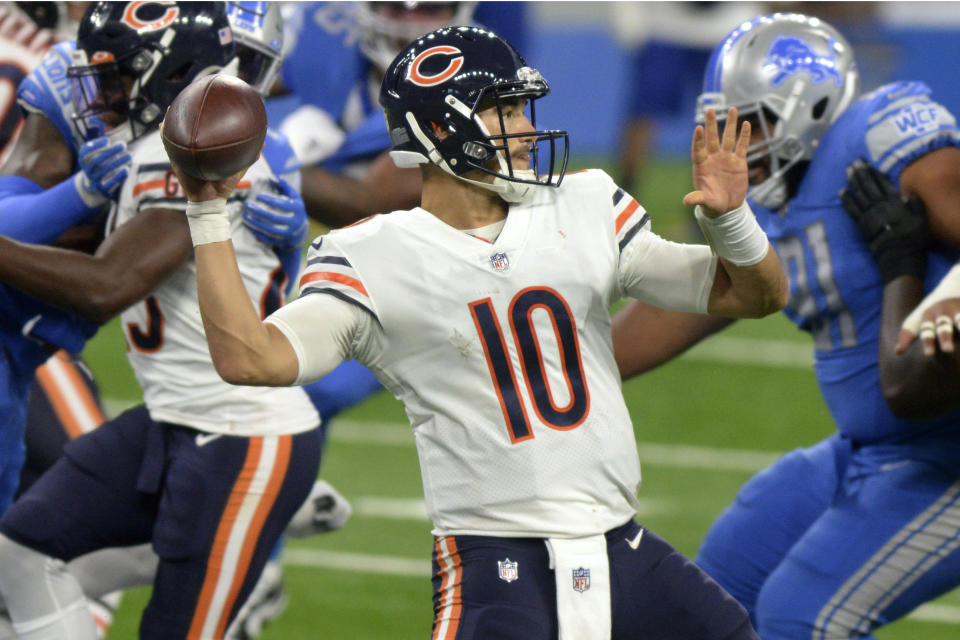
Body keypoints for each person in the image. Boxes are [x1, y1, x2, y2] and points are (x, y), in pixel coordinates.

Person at [177, 25, 787, 639]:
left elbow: (753, 295)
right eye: (504, 110)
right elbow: (250, 359)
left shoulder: (586, 204)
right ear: (440, 130)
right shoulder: (371, 256)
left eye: (523, 109)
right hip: (497, 562)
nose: (525, 130)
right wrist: (206, 212)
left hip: (623, 546)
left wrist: (732, 222)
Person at [610, 12, 960, 639]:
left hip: (947, 456)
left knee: (804, 617)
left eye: (751, 122)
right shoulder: (767, 204)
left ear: (811, 107)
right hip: (868, 450)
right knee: (712, 601)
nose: (735, 142)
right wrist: (554, 371)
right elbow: (690, 303)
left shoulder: (877, 138)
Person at [0, 3, 323, 638]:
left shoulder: (198, 147)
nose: (102, 96)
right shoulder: (160, 142)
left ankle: (263, 518)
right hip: (169, 418)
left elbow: (106, 287)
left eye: (119, 77)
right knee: (16, 553)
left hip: (239, 434)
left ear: (166, 72)